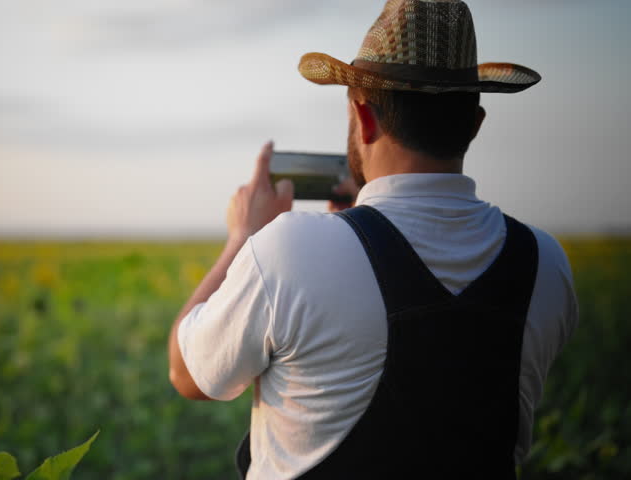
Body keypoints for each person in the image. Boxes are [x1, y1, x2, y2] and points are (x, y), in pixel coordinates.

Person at [167, 0, 578, 478]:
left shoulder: (289, 250)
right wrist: (358, 231)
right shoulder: (546, 263)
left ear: (363, 117)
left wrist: (243, 236)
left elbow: (188, 374)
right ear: (475, 125)